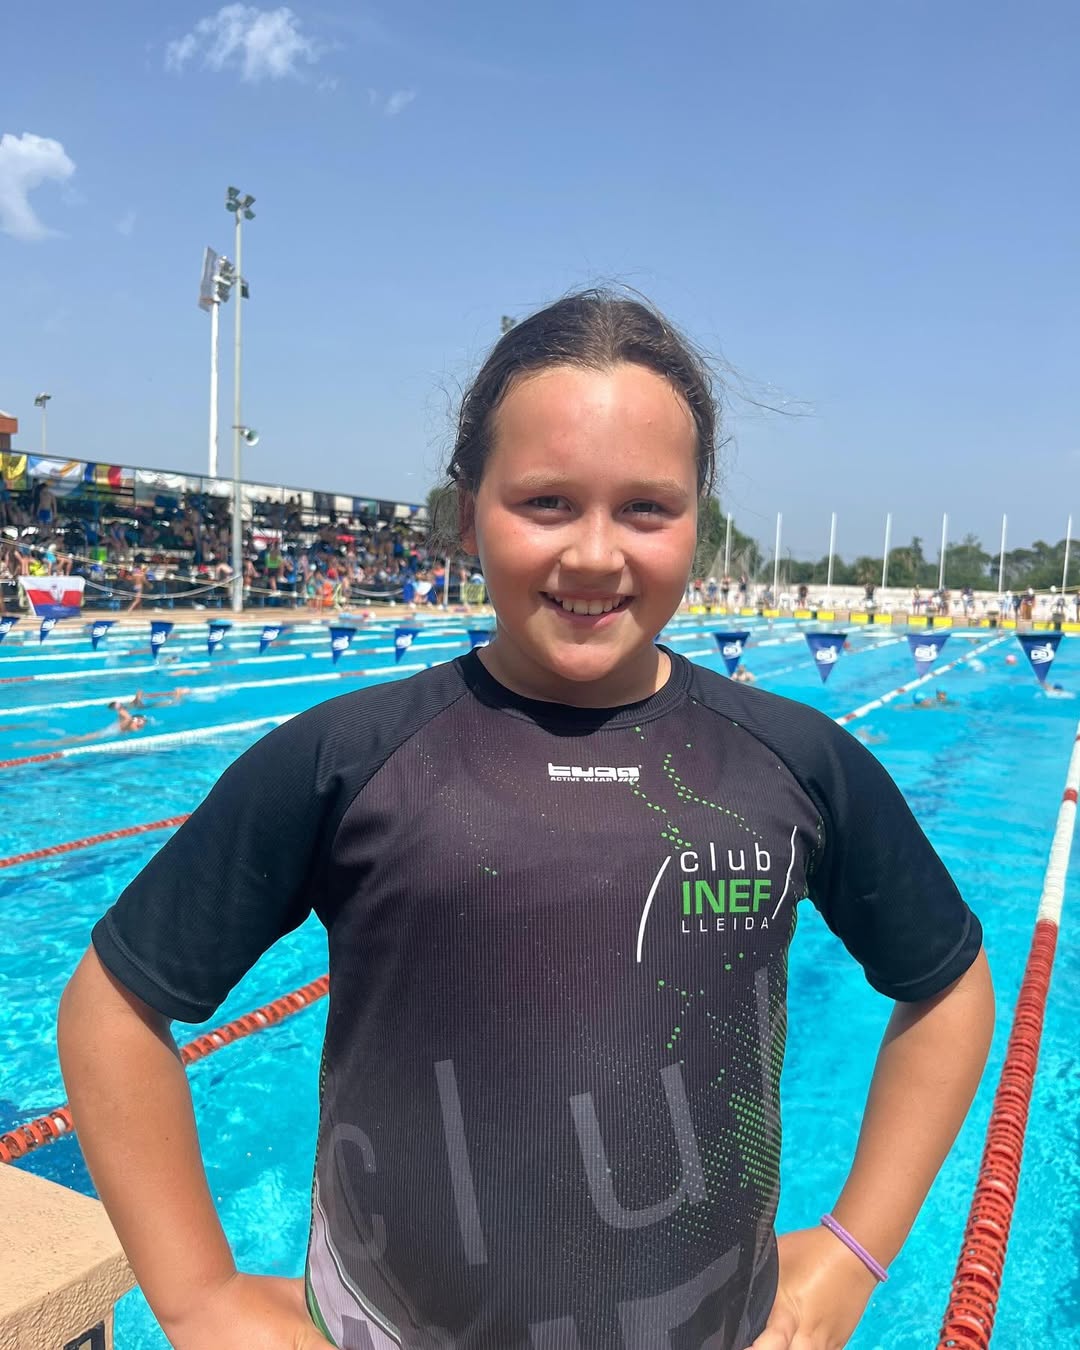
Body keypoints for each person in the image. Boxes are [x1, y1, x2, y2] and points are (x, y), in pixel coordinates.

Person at [58, 291, 993, 1350]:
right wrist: (198, 1299)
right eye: (546, 502)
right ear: (466, 512)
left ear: (698, 517)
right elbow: (112, 1010)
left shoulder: (792, 763)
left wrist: (855, 1253)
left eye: (647, 508)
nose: (596, 554)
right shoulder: (352, 759)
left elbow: (950, 986)